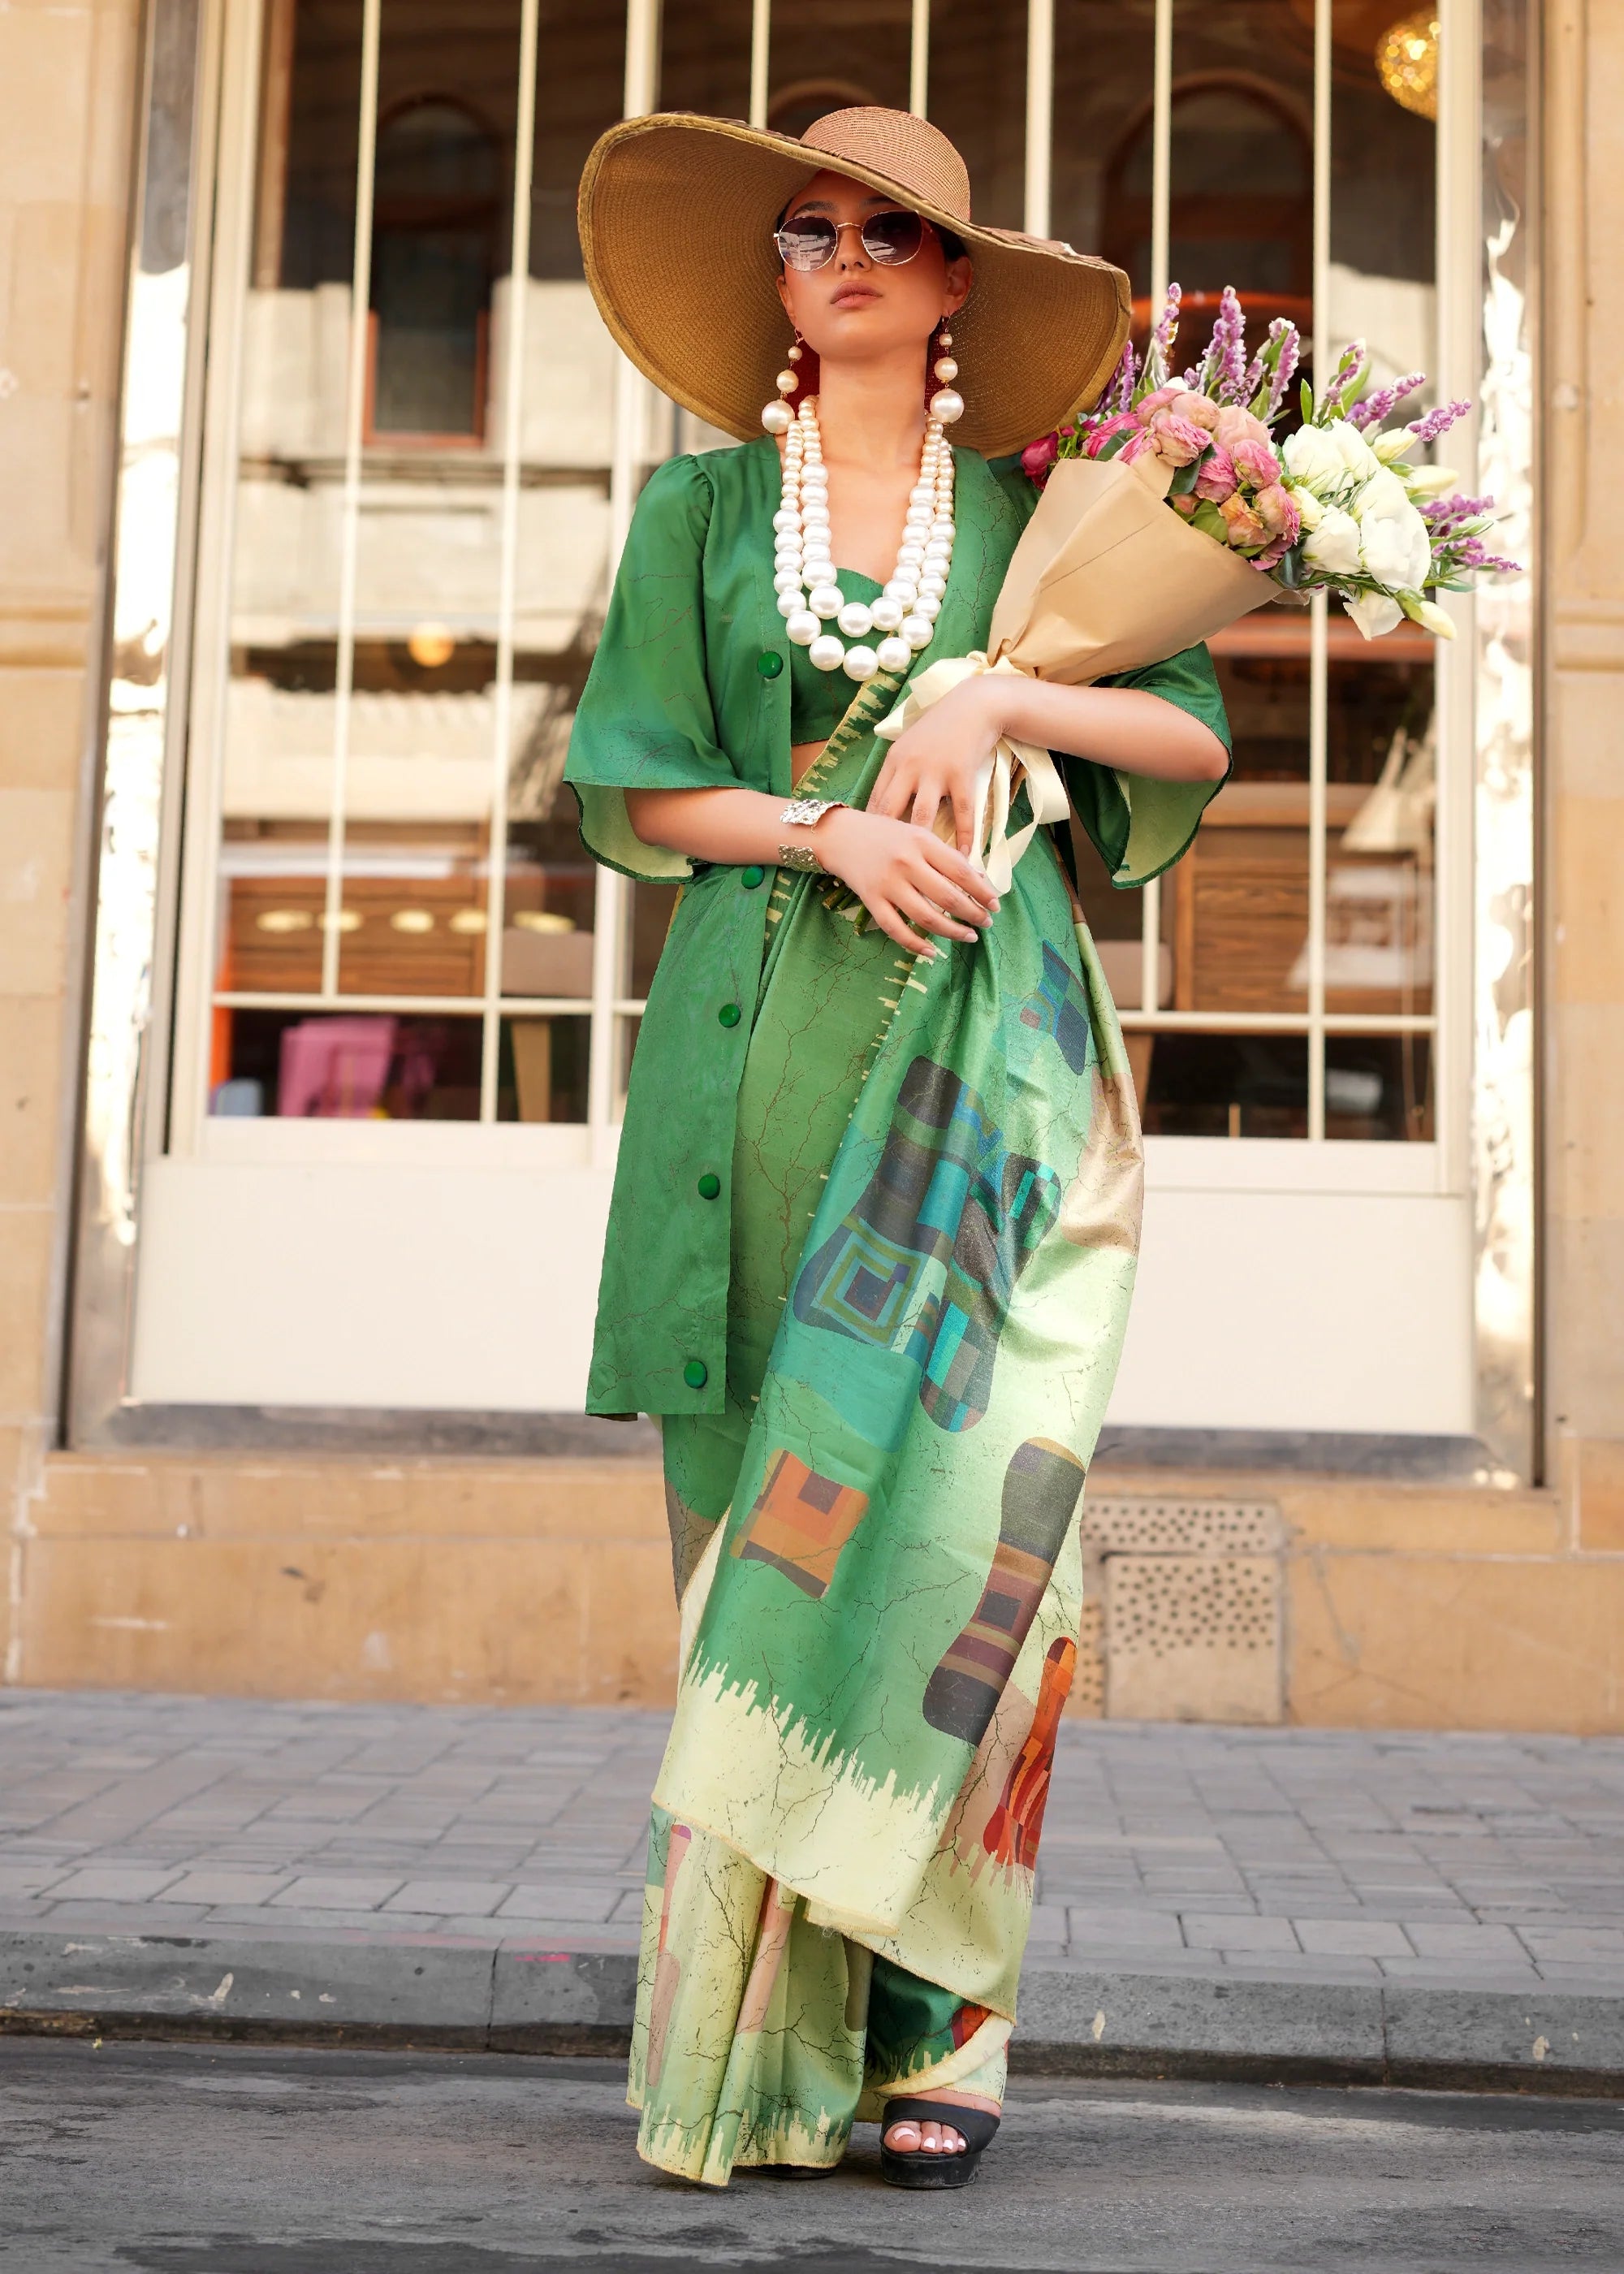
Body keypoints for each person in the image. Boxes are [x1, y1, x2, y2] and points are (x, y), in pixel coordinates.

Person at [566, 106, 1230, 2190]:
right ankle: (752, 2048)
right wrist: (834, 827)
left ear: (956, 280)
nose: (841, 255)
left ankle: (952, 2026)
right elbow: (636, 782)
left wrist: (997, 702)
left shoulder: (1047, 514)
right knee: (755, 1558)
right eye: (804, 230)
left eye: (888, 229)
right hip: (747, 1069)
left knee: (968, 1551)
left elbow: (1190, 733)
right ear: (773, 278)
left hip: (978, 1085)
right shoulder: (698, 510)